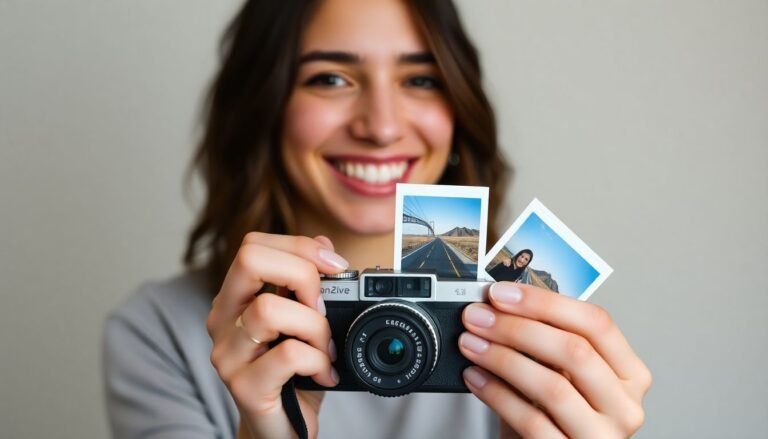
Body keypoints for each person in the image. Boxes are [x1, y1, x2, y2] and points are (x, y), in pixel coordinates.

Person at [102, 0, 652, 438]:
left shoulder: (537, 324)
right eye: (331, 79)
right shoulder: (162, 332)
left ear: (459, 114)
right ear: (264, 106)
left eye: (421, 79)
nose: (382, 127)